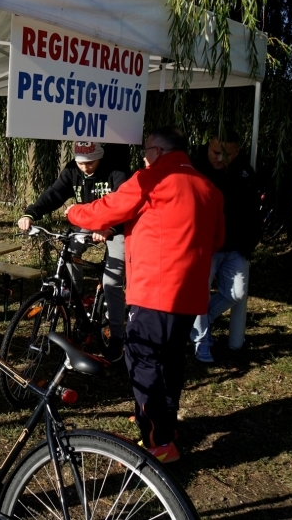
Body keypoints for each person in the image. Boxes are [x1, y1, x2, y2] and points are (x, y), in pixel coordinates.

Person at [67, 126, 225, 463]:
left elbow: (106, 210)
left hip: (155, 290)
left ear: (159, 151)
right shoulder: (209, 187)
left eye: (147, 150)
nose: (143, 156)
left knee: (143, 361)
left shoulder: (150, 178)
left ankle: (158, 442)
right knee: (170, 362)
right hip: (189, 295)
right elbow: (217, 240)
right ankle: (163, 425)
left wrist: (71, 212)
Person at [18, 141, 127, 360]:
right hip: (88, 221)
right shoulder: (71, 170)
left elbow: (125, 202)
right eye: (80, 163)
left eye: (91, 162)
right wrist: (31, 214)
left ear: (101, 157)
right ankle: (76, 304)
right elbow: (54, 194)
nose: (85, 167)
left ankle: (117, 336)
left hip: (117, 224)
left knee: (112, 282)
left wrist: (110, 228)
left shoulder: (117, 171)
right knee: (68, 254)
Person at [190, 129, 262, 362]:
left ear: (237, 151)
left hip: (235, 245)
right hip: (205, 246)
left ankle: (200, 322)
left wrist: (250, 243)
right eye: (215, 152)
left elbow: (253, 211)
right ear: (207, 145)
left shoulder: (245, 173)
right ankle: (202, 342)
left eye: (226, 154)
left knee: (236, 292)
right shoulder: (194, 169)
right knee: (199, 294)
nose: (219, 158)